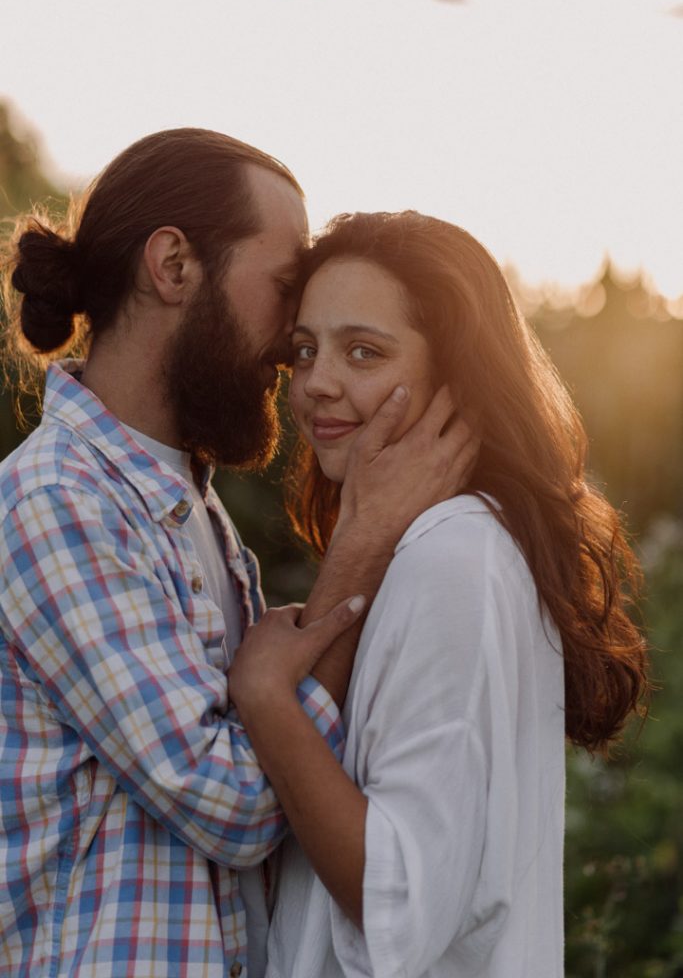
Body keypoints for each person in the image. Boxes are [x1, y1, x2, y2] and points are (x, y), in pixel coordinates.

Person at [0, 134, 477, 978]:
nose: (293, 335)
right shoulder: (55, 505)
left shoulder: (189, 511)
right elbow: (234, 804)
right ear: (174, 265)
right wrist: (361, 544)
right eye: (285, 287)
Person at [227, 211, 649, 978]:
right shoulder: (438, 548)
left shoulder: (454, 556)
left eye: (364, 351)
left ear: (457, 376)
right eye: (305, 349)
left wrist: (265, 697)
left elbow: (397, 897)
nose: (318, 382)